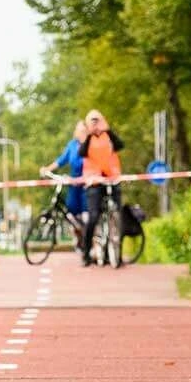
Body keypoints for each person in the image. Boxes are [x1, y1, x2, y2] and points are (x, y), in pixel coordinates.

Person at [76, 110, 124, 265]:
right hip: (94, 182)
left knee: (118, 214)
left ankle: (117, 254)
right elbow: (81, 152)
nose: (96, 124)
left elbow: (120, 145)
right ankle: (86, 253)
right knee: (93, 216)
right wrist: (90, 134)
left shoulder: (108, 136)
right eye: (92, 121)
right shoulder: (88, 139)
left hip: (112, 179)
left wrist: (108, 130)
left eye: (98, 120)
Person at [50, 120, 89, 225]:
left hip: (87, 183)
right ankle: (77, 232)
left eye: (82, 131)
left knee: (86, 214)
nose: (80, 133)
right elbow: (61, 160)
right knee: (71, 213)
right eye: (78, 130)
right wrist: (48, 169)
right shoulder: (72, 145)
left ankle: (90, 233)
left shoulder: (90, 144)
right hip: (73, 183)